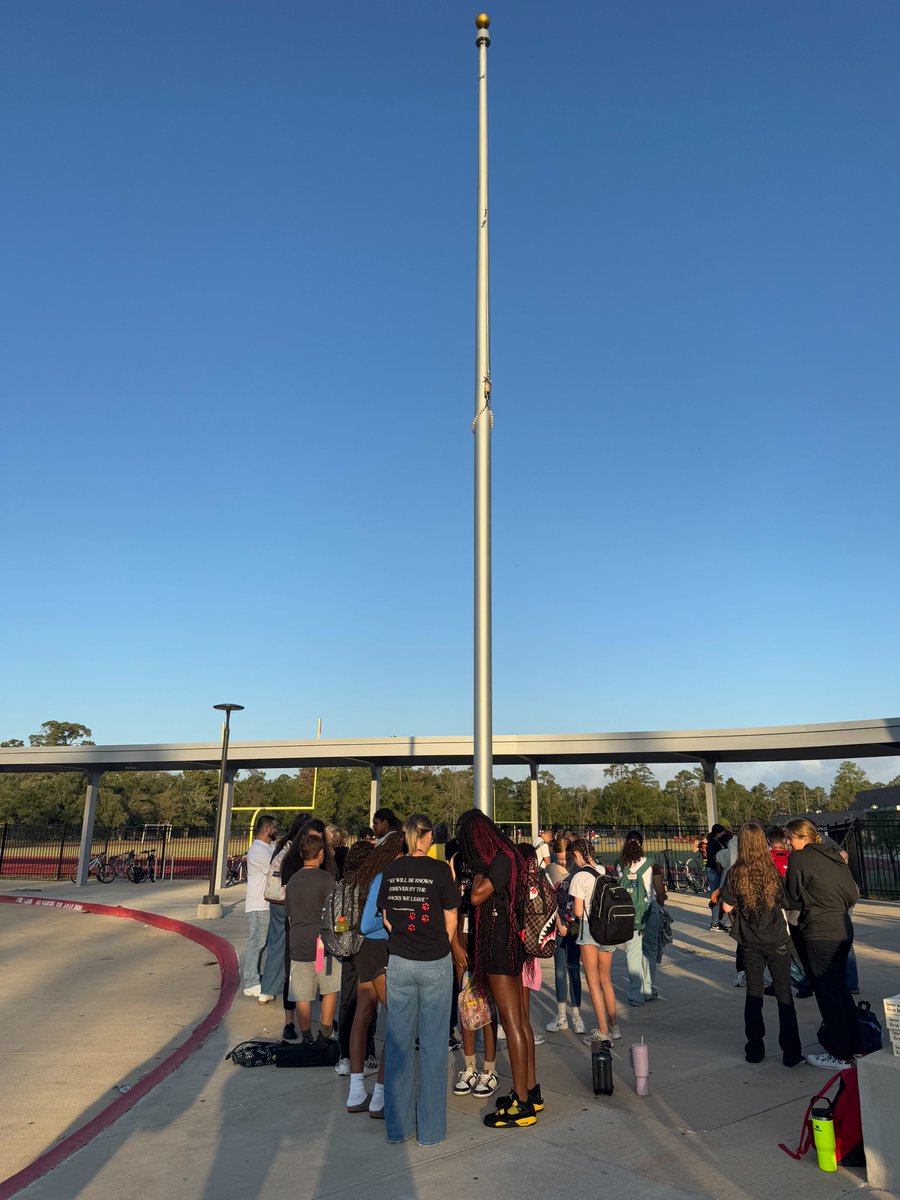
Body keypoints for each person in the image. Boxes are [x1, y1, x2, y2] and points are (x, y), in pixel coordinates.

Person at [377, 814, 459, 1146]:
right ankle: (430, 1130)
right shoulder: (440, 871)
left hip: (399, 960)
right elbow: (452, 916)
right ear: (423, 837)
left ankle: (398, 1128)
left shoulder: (391, 870)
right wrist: (438, 942)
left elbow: (386, 918)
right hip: (434, 961)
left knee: (398, 1045)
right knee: (434, 1046)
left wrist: (406, 938)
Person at [456, 809, 541, 1128]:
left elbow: (477, 896)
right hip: (509, 947)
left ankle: (521, 1103)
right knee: (520, 1021)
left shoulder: (500, 860)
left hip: (501, 948)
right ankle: (530, 1091)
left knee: (513, 1023)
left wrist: (476, 871)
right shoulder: (509, 855)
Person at [720, 821, 803, 1067]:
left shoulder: (736, 872)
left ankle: (755, 1048)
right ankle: (791, 1051)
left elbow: (726, 906)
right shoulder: (772, 870)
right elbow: (784, 900)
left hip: (751, 941)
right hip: (777, 937)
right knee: (784, 995)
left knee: (753, 994)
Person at [784, 818, 860, 1069]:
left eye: (790, 837)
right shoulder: (834, 855)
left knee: (827, 993)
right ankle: (855, 1045)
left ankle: (839, 1053)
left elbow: (792, 895)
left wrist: (812, 901)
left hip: (819, 931)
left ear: (801, 837)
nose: (788, 842)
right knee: (839, 989)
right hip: (841, 928)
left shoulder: (799, 858)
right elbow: (852, 893)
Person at [345, 831, 406, 1116]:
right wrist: (392, 921)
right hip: (378, 949)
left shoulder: (370, 876)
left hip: (366, 952)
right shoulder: (384, 878)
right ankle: (380, 1095)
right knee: (397, 1017)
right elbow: (369, 923)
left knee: (364, 1015)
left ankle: (356, 1092)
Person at [449, 835, 499, 1099]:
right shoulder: (456, 867)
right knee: (466, 1005)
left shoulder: (490, 869)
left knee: (488, 1008)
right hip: (462, 943)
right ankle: (469, 1066)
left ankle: (489, 1068)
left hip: (485, 944)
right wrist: (455, 945)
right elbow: (452, 911)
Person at [284, 831, 342, 1043]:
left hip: (298, 941)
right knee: (328, 987)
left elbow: (288, 914)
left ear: (301, 854)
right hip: (321, 944)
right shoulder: (327, 880)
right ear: (320, 854)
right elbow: (337, 913)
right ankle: (325, 1032)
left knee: (302, 993)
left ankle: (306, 1035)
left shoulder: (292, 880)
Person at [567, 838, 619, 1044]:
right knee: (606, 980)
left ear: (578, 855)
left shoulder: (579, 877)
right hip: (609, 928)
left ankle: (602, 1030)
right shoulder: (604, 871)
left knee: (593, 981)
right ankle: (615, 1026)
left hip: (589, 929)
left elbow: (578, 911)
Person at [334, 839, 378, 1078]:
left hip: (346, 945)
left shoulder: (341, 885)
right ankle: (367, 1053)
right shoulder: (370, 886)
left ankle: (344, 1055)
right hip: (368, 946)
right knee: (369, 1002)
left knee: (347, 1001)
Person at [258, 812, 309, 1005]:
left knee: (276, 944)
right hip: (291, 902)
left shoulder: (281, 845)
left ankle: (268, 989)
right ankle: (295, 983)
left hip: (275, 900)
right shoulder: (299, 849)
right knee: (296, 946)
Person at [618, 830, 666, 1007]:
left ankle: (634, 994)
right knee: (650, 950)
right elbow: (660, 891)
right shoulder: (651, 865)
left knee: (632, 951)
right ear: (642, 843)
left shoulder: (620, 864)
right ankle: (647, 988)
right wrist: (662, 904)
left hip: (627, 912)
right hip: (649, 909)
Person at [544, 837, 585, 1034]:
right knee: (559, 969)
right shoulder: (550, 870)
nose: (563, 862)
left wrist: (572, 922)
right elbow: (548, 900)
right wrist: (558, 923)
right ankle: (561, 1015)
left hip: (575, 925)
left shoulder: (577, 869)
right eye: (559, 859)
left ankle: (576, 1014)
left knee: (574, 968)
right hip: (558, 924)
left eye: (566, 858)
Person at [242, 814, 277, 997]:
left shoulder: (267, 847)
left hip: (266, 903)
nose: (276, 830)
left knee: (263, 943)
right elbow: (274, 869)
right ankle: (250, 981)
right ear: (267, 829)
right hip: (259, 904)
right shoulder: (257, 850)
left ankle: (259, 976)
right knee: (257, 942)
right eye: (274, 827)